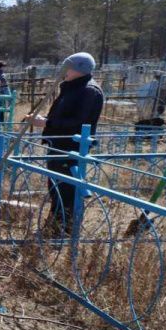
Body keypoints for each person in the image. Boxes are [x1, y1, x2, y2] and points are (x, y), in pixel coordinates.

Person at [26, 52, 105, 235]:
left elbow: (78, 122)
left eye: (68, 67)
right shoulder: (71, 87)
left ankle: (63, 230)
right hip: (58, 144)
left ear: (79, 69)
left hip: (71, 147)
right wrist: (44, 119)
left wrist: (46, 123)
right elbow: (62, 117)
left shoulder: (89, 91)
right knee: (55, 187)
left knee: (66, 190)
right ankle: (54, 226)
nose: (65, 71)